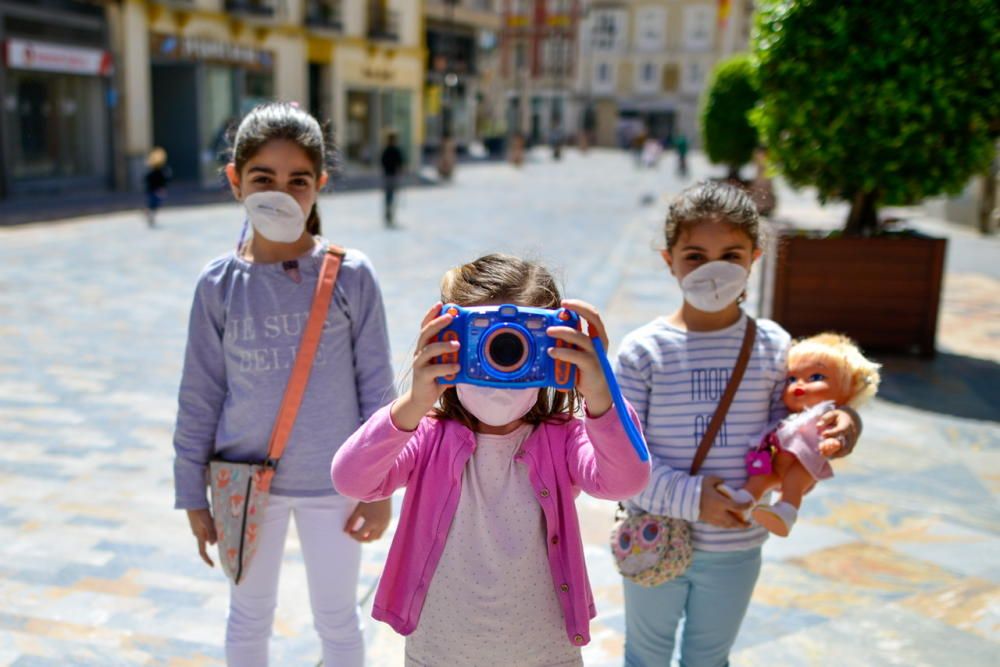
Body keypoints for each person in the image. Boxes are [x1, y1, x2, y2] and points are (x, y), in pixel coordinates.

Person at [331, 253, 651, 667]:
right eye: (485, 345)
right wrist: (413, 402)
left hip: (545, 654)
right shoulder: (427, 434)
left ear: (554, 349)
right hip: (440, 654)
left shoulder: (562, 438)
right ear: (445, 342)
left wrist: (600, 390)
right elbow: (352, 479)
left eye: (518, 346)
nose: (502, 365)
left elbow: (625, 480)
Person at [172, 102, 396, 667]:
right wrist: (189, 493)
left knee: (338, 620)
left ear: (319, 184)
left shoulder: (351, 275)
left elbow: (377, 392)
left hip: (336, 483)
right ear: (235, 181)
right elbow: (200, 392)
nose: (282, 192)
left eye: (298, 180)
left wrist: (381, 486)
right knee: (248, 618)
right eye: (262, 178)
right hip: (245, 484)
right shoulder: (219, 285)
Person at [614, 181, 862, 667]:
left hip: (737, 545)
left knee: (710, 657)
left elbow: (795, 427)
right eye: (694, 256)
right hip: (655, 535)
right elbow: (622, 459)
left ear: (754, 255)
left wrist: (844, 423)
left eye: (730, 254)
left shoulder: (773, 345)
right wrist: (692, 499)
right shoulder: (643, 352)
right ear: (669, 261)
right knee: (645, 655)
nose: (713, 270)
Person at [722, 332, 880, 536]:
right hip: (776, 458)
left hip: (804, 461)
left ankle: (786, 512)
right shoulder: (788, 415)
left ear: (848, 389)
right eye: (792, 379)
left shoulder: (827, 412)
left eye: (816, 377)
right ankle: (742, 501)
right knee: (760, 479)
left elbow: (842, 425)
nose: (799, 385)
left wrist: (835, 441)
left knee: (793, 482)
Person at [380, 130, 405, 228]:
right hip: (392, 176)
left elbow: (382, 162)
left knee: (388, 197)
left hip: (388, 176)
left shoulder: (387, 150)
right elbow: (401, 164)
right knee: (391, 197)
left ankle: (389, 215)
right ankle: (390, 216)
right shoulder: (395, 150)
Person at [144, 147, 171, 227]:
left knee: (155, 203)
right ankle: (149, 214)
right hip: (155, 189)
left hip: (155, 189)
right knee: (154, 203)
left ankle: (149, 214)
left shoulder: (161, 170)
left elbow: (165, 179)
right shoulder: (156, 171)